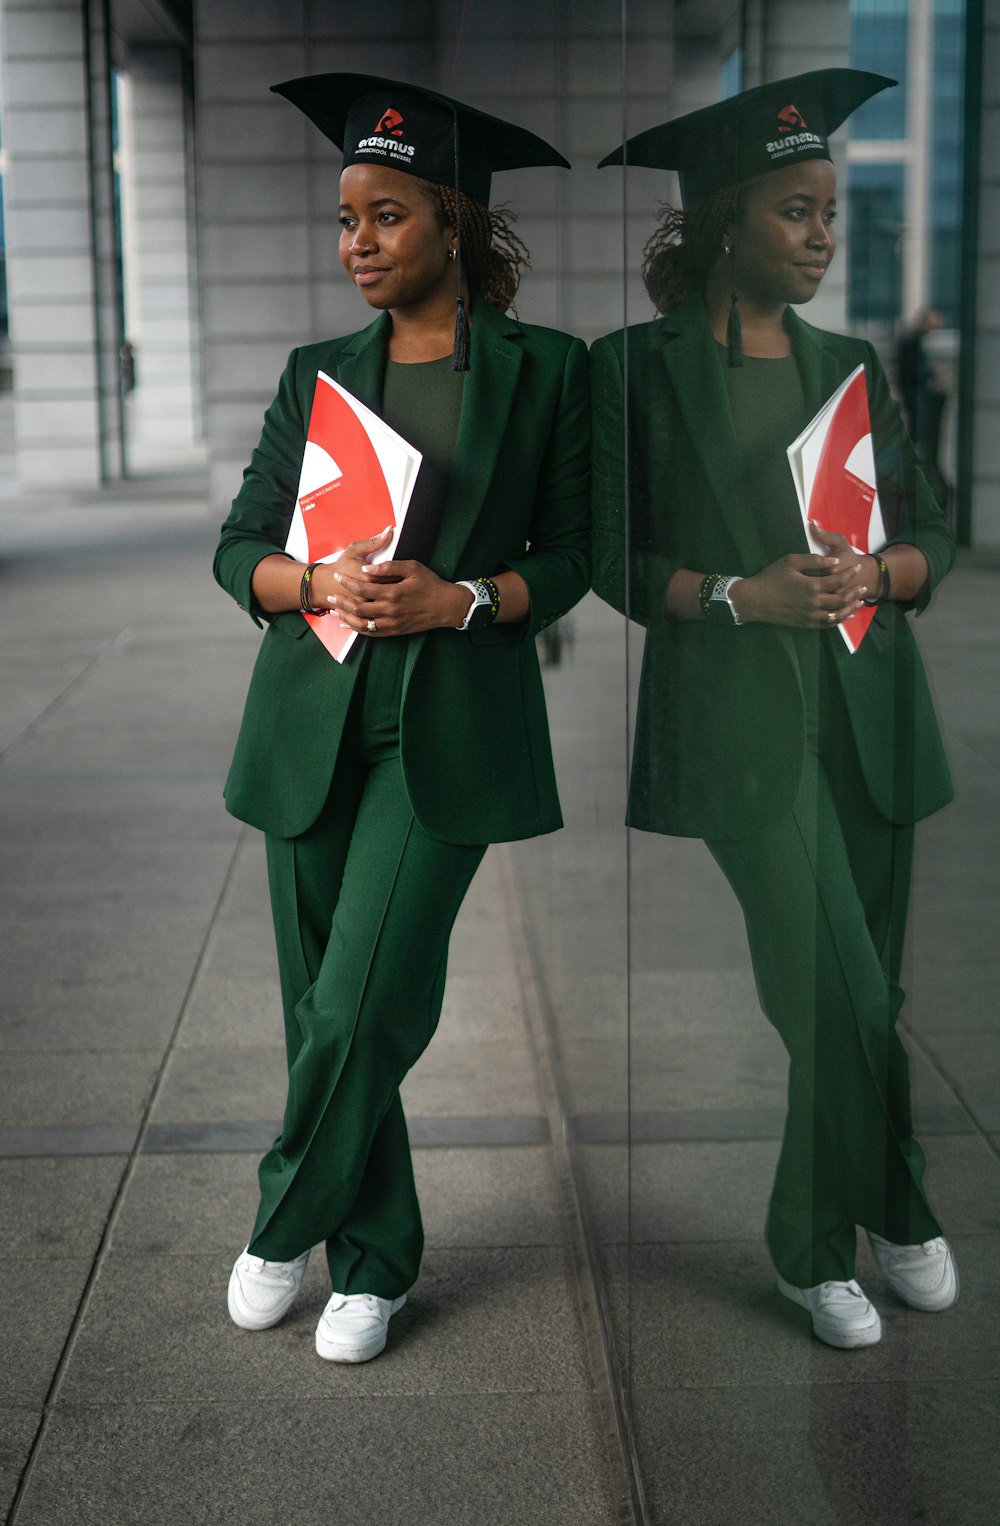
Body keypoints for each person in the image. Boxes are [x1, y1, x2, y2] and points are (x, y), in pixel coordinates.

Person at [214, 73, 589, 1363]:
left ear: (451, 217)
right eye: (343, 219)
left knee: (360, 1005)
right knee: (315, 1001)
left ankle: (282, 1216)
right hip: (308, 721)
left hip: (450, 728)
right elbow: (237, 550)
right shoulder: (318, 374)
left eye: (382, 215)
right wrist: (309, 579)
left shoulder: (548, 371)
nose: (356, 244)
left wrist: (465, 598)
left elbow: (576, 554)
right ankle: (370, 1260)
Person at [592, 70, 958, 1349]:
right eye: (798, 212)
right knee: (843, 998)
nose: (820, 237)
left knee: (836, 1002)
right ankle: (873, 1213)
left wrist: (880, 570)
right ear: (726, 221)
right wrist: (735, 594)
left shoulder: (851, 366)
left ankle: (826, 1233)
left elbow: (932, 533)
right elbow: (609, 556)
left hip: (873, 719)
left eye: (829, 213)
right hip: (740, 730)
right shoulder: (632, 370)